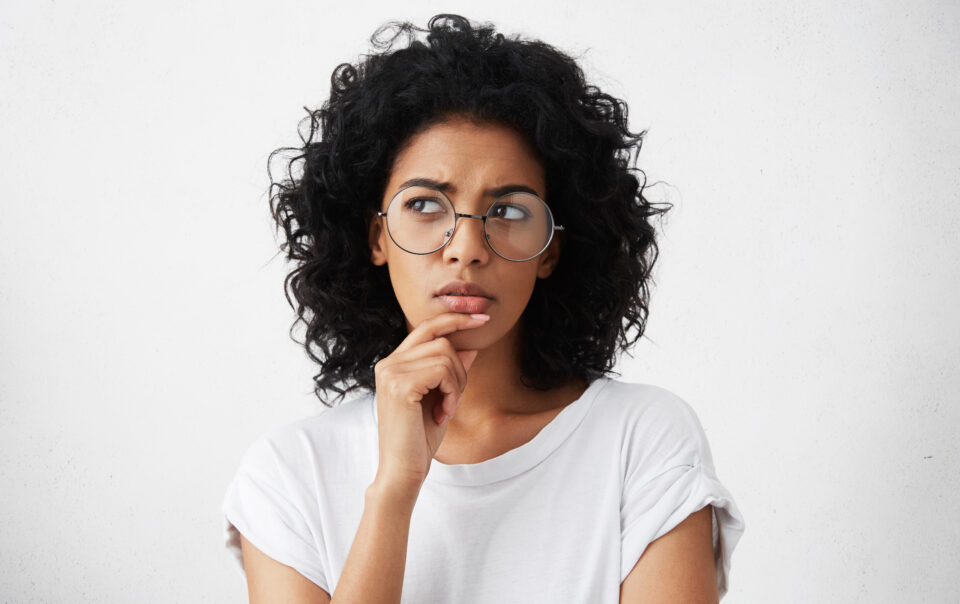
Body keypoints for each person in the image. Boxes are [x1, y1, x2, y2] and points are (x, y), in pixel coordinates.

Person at [222, 14, 744, 603]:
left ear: (551, 252)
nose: (466, 249)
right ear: (375, 237)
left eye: (511, 211)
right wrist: (395, 489)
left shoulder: (642, 440)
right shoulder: (290, 472)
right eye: (425, 205)